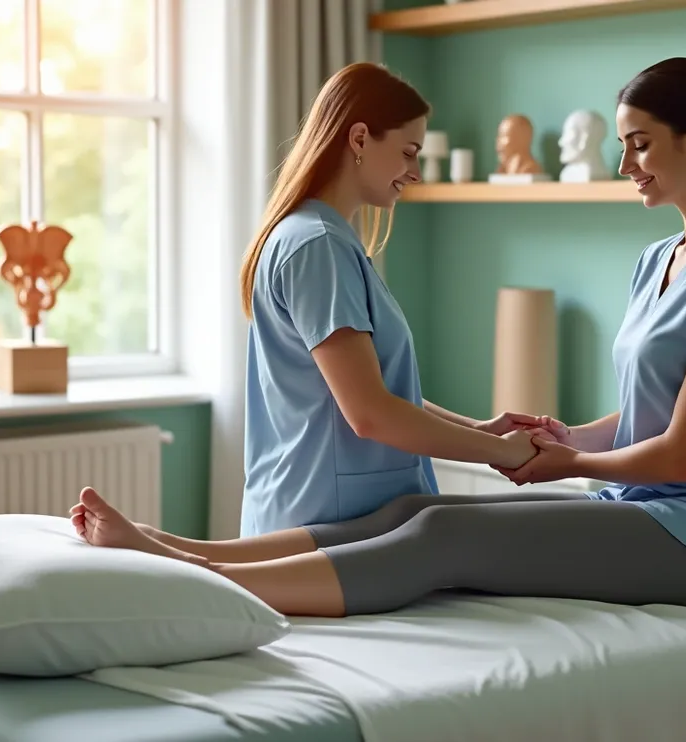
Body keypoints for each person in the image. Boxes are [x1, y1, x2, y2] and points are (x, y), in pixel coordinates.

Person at [70, 56, 686, 620]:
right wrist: (569, 435)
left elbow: (681, 451)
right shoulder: (658, 260)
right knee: (417, 512)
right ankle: (177, 549)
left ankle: (204, 579)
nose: (624, 165)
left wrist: (567, 460)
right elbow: (653, 411)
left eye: (639, 145)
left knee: (446, 539)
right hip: (644, 510)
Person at [213, 61, 553, 540]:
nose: (414, 172)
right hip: (326, 518)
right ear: (358, 140)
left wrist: (480, 429)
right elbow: (370, 413)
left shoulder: (322, 238)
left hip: (329, 510)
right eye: (408, 152)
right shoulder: (317, 247)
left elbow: (380, 390)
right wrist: (502, 453)